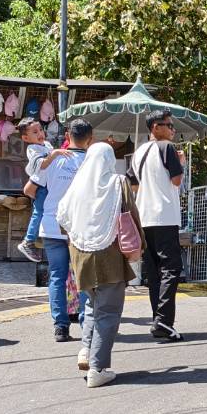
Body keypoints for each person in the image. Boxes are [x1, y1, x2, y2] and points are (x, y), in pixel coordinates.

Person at [56, 141, 140, 387]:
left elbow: (62, 216)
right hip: (109, 256)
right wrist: (138, 247)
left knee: (92, 306)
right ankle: (98, 368)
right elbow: (132, 215)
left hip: (81, 256)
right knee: (109, 313)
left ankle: (86, 350)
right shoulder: (118, 183)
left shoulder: (77, 185)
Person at [33, 117, 93, 342]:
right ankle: (87, 323)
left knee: (57, 276)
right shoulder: (91, 162)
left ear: (67, 135)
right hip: (80, 227)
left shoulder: (52, 160)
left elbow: (30, 188)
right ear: (91, 138)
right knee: (84, 276)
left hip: (51, 224)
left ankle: (60, 326)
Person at [130, 110, 186, 341]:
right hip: (164, 216)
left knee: (154, 271)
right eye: (169, 125)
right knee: (171, 268)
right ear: (155, 127)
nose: (172, 130)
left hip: (144, 216)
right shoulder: (166, 149)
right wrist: (180, 163)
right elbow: (177, 180)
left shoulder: (139, 151)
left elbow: (133, 184)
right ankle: (163, 321)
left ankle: (158, 319)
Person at [16, 116, 50, 261]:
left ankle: (41, 238)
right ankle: (28, 241)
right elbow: (41, 164)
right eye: (35, 132)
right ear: (25, 138)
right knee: (39, 212)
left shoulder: (47, 145)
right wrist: (55, 155)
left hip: (49, 186)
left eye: (41, 130)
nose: (40, 133)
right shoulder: (32, 148)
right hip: (42, 187)